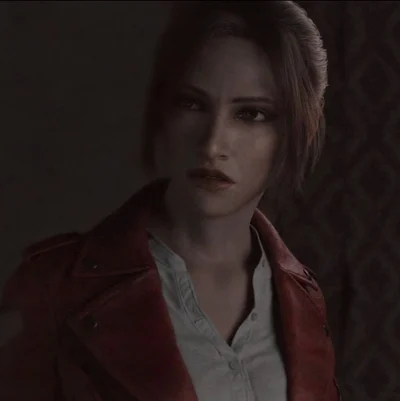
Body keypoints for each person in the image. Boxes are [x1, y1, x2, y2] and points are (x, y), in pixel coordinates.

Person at [0, 1, 341, 400]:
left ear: (299, 130)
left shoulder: (303, 299)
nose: (212, 144)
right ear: (163, 112)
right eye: (192, 104)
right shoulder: (54, 288)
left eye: (251, 114)